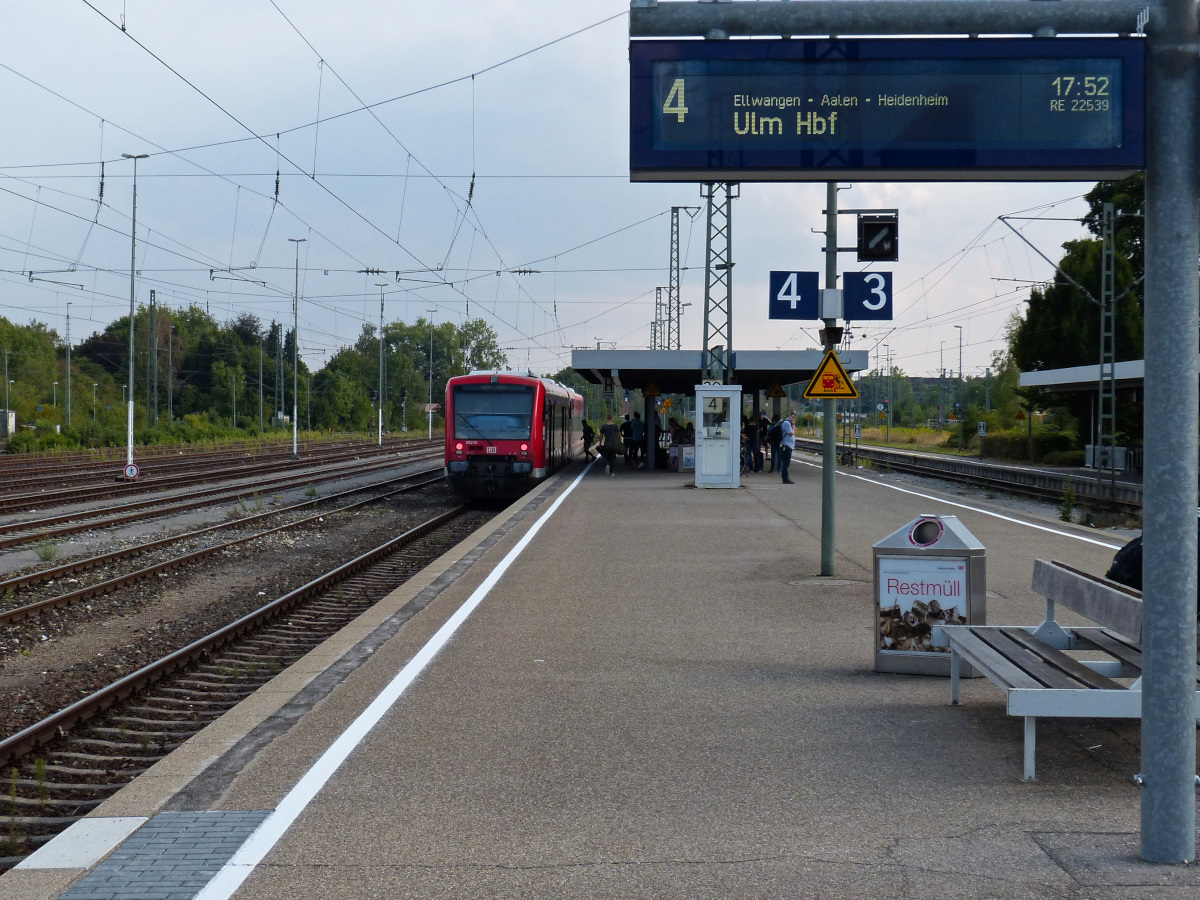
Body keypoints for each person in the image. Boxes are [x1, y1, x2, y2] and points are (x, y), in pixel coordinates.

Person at [779, 411, 797, 484]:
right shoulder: (787, 423)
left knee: (787, 462)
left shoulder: (788, 423)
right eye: (792, 417)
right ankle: (785, 479)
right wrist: (793, 427)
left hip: (788, 445)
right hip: (786, 445)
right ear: (789, 416)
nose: (793, 419)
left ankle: (785, 478)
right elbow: (791, 433)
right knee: (786, 462)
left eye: (794, 418)